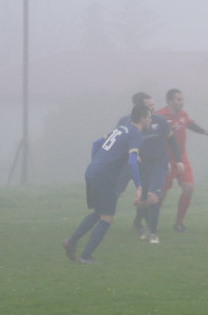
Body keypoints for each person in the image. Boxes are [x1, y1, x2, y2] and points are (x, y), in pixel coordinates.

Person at [62, 105, 151, 264]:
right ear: (142, 118)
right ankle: (86, 256)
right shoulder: (136, 135)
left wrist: (97, 162)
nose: (151, 120)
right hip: (105, 176)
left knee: (98, 212)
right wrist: (139, 186)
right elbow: (132, 161)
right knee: (107, 217)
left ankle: (71, 242)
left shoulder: (120, 129)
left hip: (92, 171)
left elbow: (96, 144)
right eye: (150, 117)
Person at [125, 92, 181, 244]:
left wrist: (178, 160)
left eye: (153, 105)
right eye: (149, 106)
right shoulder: (129, 124)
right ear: (139, 108)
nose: (153, 108)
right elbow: (123, 143)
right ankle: (140, 224)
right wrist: (132, 154)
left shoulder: (160, 121)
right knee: (143, 201)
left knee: (153, 197)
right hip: (142, 167)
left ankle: (153, 233)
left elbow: (172, 141)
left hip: (159, 165)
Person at [156, 88, 208, 232]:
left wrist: (204, 132)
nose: (182, 102)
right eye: (179, 99)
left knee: (188, 188)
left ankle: (179, 223)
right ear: (170, 101)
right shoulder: (160, 116)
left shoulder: (183, 114)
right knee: (160, 195)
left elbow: (189, 124)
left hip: (182, 158)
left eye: (182, 99)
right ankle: (152, 222)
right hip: (165, 161)